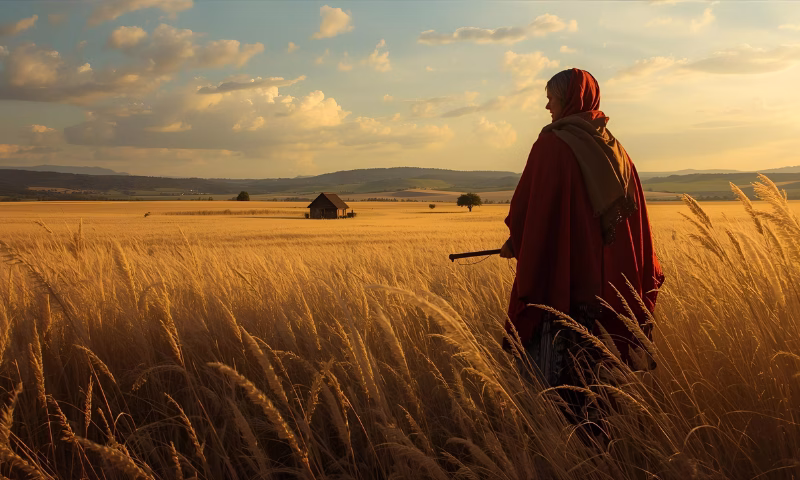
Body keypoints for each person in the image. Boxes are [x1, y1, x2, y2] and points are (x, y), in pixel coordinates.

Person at [499, 68, 664, 420]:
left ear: (569, 100)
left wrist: (517, 242)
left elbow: (531, 214)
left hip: (561, 290)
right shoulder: (616, 150)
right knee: (598, 393)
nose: (547, 106)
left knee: (552, 399)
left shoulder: (552, 145)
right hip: (606, 292)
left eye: (552, 98)